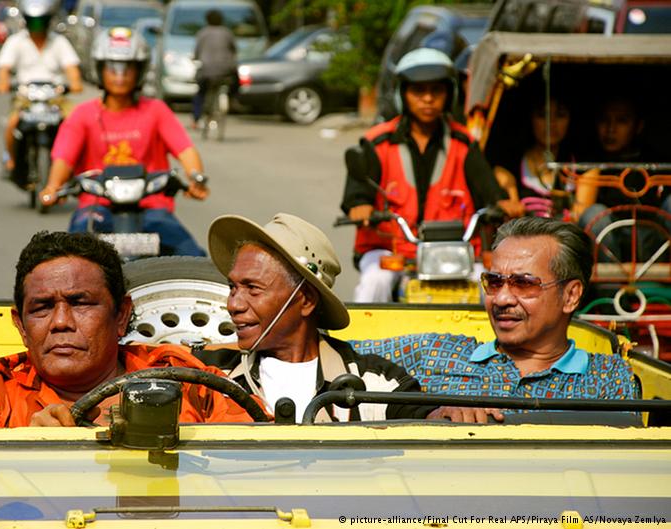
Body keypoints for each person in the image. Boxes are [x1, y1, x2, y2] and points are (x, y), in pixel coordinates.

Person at [0, 231, 252, 427]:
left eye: (80, 302)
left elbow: (259, 460)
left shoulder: (184, 378)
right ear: (20, 326)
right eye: (41, 308)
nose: (59, 322)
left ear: (121, 315)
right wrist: (35, 450)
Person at [351, 216, 640, 421]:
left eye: (523, 283)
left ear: (571, 296)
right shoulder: (434, 354)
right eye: (494, 282)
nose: (501, 299)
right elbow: (333, 353)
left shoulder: (609, 378)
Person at [199, 213, 482, 423]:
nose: (233, 304)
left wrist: (448, 414)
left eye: (252, 289)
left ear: (306, 300)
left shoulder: (377, 381)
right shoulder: (207, 374)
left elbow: (423, 419)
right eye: (233, 288)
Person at [340, 47, 516, 303]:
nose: (428, 99)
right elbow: (357, 191)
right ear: (403, 94)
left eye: (436, 90)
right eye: (418, 91)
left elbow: (488, 189)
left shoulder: (464, 144)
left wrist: (503, 204)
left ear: (449, 94)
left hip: (452, 254)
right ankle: (361, 344)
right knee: (374, 283)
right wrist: (360, 206)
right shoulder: (377, 143)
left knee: (487, 287)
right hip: (391, 249)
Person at [37, 27, 209, 257]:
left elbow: (185, 149)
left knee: (195, 260)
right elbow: (64, 158)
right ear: (100, 69)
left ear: (139, 71)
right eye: (113, 67)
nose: (120, 75)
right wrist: (53, 185)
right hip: (96, 207)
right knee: (71, 260)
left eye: (128, 67)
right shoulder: (82, 115)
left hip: (152, 209)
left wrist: (195, 176)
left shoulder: (156, 111)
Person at [573, 95, 668, 261]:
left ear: (638, 126)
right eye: (604, 120)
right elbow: (581, 212)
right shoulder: (591, 163)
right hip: (612, 248)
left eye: (621, 121)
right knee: (594, 215)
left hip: (654, 245)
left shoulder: (655, 161)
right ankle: (610, 287)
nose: (611, 129)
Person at [0, 0, 83, 178]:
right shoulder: (16, 41)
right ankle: (11, 159)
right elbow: (4, 69)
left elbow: (72, 69)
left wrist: (75, 83)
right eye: (33, 22)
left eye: (40, 21)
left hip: (55, 98)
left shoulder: (59, 42)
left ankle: (75, 165)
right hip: (25, 97)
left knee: (75, 123)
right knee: (12, 124)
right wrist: (3, 82)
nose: (37, 26)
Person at [494, 94, 574, 219]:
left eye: (560, 115)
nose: (551, 123)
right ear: (530, 118)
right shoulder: (511, 166)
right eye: (543, 115)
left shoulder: (578, 167)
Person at [191, 9, 237, 129]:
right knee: (235, 83)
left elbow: (196, 53)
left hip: (206, 71)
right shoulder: (227, 33)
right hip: (225, 70)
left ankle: (196, 119)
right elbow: (234, 50)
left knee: (200, 93)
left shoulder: (202, 33)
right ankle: (233, 101)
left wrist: (195, 58)